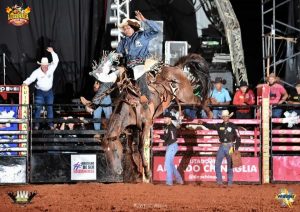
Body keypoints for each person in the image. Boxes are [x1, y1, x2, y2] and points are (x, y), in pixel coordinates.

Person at [116, 10, 160, 108]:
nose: (126, 30)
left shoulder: (142, 35)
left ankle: (147, 98)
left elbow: (157, 30)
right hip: (129, 65)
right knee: (112, 74)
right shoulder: (123, 42)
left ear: (134, 28)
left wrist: (144, 20)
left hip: (142, 62)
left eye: (128, 28)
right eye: (124, 28)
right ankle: (96, 101)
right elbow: (118, 54)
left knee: (139, 73)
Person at [187, 110, 241, 186]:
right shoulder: (219, 125)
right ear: (222, 117)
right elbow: (211, 126)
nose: (225, 117)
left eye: (226, 116)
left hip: (230, 146)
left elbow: (238, 138)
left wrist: (236, 148)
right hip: (222, 145)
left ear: (228, 117)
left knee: (230, 165)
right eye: (224, 116)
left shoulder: (233, 126)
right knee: (217, 164)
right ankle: (219, 181)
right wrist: (203, 123)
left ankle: (229, 182)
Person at [22, 47, 59, 129]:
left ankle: (50, 124)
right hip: (40, 92)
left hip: (49, 91)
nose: (45, 67)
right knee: (38, 108)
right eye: (44, 66)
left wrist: (52, 52)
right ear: (41, 65)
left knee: (49, 107)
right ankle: (36, 124)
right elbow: (30, 79)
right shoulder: (36, 72)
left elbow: (56, 61)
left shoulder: (51, 68)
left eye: (46, 65)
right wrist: (24, 83)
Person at [161, 112, 183, 186]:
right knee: (170, 164)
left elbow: (171, 138)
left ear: (170, 119)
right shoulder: (168, 126)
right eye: (164, 118)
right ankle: (179, 179)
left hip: (172, 145)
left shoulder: (171, 126)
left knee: (167, 163)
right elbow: (167, 137)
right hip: (171, 145)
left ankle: (169, 181)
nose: (164, 119)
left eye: (166, 118)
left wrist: (160, 138)